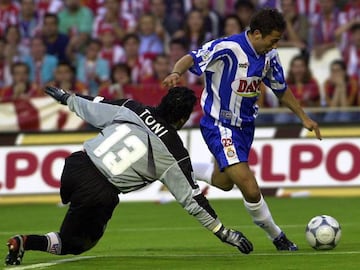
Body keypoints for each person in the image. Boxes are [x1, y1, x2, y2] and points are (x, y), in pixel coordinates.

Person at [4, 86, 253, 266]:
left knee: (76, 218)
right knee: (75, 244)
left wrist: (67, 98)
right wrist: (224, 232)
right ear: (183, 118)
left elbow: (94, 106)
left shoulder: (133, 108)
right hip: (99, 193)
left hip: (75, 165)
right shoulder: (175, 152)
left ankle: (29, 240)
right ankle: (25, 241)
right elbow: (193, 200)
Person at [163, 8, 322, 251]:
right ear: (257, 34)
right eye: (274, 39)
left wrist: (303, 117)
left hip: (245, 128)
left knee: (224, 182)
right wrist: (176, 72)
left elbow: (280, 88)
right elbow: (191, 58)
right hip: (219, 125)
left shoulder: (269, 56)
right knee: (248, 185)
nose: (275, 45)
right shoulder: (228, 47)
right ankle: (277, 237)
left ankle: (184, 166)